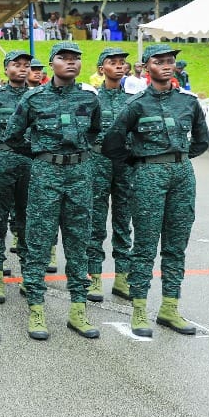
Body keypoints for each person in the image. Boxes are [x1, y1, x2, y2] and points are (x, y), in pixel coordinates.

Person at [102, 45, 208, 337]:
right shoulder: (136, 104)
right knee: (146, 244)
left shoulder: (188, 102)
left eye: (169, 61)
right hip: (148, 174)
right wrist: (138, 163)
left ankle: (170, 308)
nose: (166, 66)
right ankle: (138, 309)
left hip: (182, 174)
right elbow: (113, 143)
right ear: (146, 67)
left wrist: (178, 158)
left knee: (176, 245)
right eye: (159, 61)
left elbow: (201, 139)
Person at [3, 41, 103, 340]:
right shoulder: (34, 98)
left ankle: (78, 309)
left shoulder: (89, 98)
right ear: (51, 64)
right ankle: (36, 308)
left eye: (76, 59)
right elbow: (12, 135)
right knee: (38, 240)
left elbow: (96, 132)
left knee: (78, 239)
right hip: (46, 172)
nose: (71, 63)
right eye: (64, 58)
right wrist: (40, 153)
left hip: (80, 173)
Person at [0, 50, 33, 304]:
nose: (22, 68)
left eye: (26, 65)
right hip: (1, 161)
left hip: (30, 162)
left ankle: (28, 274)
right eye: (16, 64)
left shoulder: (37, 97)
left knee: (28, 219)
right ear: (5, 68)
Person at [87, 47, 133, 302]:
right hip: (98, 161)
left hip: (124, 163)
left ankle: (122, 277)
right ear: (101, 68)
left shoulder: (132, 100)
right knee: (95, 220)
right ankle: (94, 276)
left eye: (121, 62)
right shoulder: (92, 99)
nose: (118, 66)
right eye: (112, 62)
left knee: (123, 219)